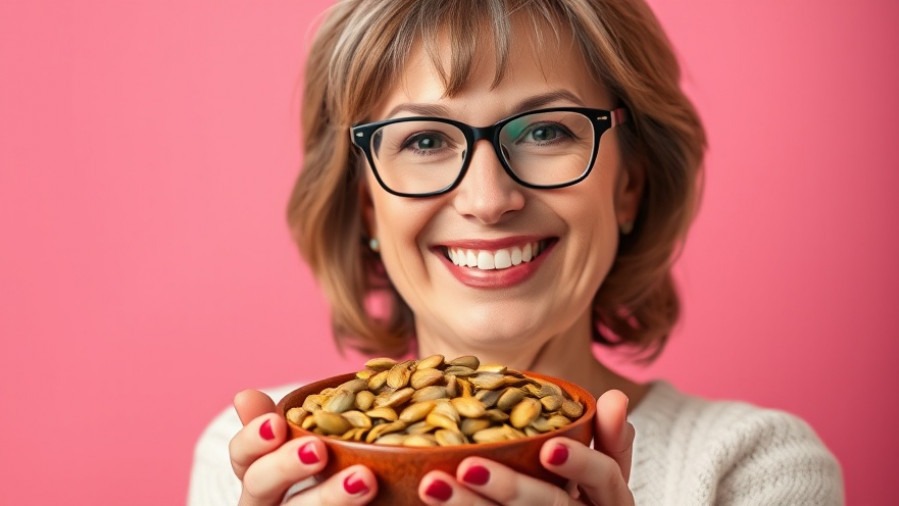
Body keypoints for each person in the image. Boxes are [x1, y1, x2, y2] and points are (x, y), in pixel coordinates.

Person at [189, 0, 844, 504]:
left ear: (628, 184)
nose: (487, 197)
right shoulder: (260, 462)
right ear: (366, 202)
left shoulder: (751, 468)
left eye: (543, 130)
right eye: (422, 140)